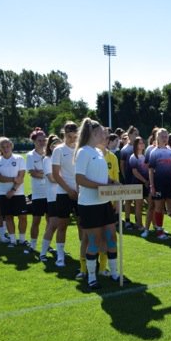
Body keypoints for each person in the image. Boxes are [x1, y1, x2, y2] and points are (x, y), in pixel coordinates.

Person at [74, 118, 122, 290]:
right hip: (89, 204)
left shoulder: (99, 152)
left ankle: (115, 273)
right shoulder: (83, 152)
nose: (106, 134)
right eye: (102, 132)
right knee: (93, 241)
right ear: (94, 133)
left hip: (104, 202)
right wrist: (101, 186)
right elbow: (79, 179)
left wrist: (111, 181)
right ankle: (92, 277)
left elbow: (101, 176)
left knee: (111, 238)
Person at [0, 137, 29, 251]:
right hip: (3, 194)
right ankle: (13, 240)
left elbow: (21, 177)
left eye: (7, 146)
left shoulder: (19, 158)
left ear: (11, 146)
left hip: (18, 193)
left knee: (22, 217)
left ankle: (22, 239)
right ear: (0, 148)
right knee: (8, 217)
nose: (6, 148)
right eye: (3, 146)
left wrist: (13, 190)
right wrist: (13, 179)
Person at [51, 121, 79, 267]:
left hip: (80, 192)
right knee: (62, 225)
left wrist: (78, 190)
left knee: (83, 225)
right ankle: (60, 256)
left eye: (74, 136)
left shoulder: (80, 149)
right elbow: (56, 174)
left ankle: (84, 256)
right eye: (69, 136)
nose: (72, 139)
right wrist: (69, 190)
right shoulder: (58, 150)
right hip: (63, 193)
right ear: (64, 134)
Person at [148, 128, 171, 240]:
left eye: (166, 136)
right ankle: (159, 231)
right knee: (158, 208)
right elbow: (150, 170)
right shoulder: (154, 152)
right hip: (158, 184)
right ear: (157, 138)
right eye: (162, 136)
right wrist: (152, 186)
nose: (165, 138)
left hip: (170, 184)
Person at [38, 135, 61, 262]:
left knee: (60, 225)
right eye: (53, 144)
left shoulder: (62, 158)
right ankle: (42, 252)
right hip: (53, 197)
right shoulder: (47, 159)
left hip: (64, 196)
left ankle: (59, 251)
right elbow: (52, 178)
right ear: (49, 147)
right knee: (53, 224)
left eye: (58, 143)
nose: (56, 146)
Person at [26, 128, 48, 252]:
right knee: (36, 220)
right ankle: (33, 245)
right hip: (38, 194)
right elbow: (33, 173)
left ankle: (47, 245)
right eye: (39, 140)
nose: (42, 142)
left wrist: (42, 173)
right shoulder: (30, 155)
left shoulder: (49, 153)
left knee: (51, 222)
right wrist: (47, 174)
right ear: (34, 141)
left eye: (44, 140)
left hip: (51, 194)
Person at [129, 136, 150, 237]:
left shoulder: (145, 156)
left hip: (146, 183)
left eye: (143, 143)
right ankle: (139, 224)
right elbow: (135, 172)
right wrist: (145, 180)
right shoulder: (133, 157)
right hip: (137, 183)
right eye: (140, 143)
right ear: (136, 145)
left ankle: (151, 224)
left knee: (150, 203)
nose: (142, 144)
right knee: (139, 205)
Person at [119, 126, 140, 229]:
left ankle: (138, 221)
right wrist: (124, 177)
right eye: (135, 134)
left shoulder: (138, 148)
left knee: (137, 201)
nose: (137, 136)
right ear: (130, 135)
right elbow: (122, 165)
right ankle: (127, 221)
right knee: (127, 201)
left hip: (138, 179)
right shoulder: (125, 149)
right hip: (128, 178)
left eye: (137, 134)